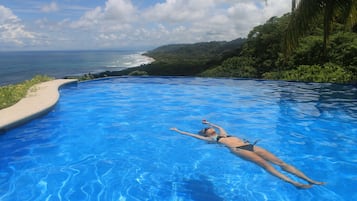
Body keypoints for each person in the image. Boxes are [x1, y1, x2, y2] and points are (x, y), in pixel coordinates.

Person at [170, 120, 325, 189]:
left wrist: (209, 123)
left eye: (207, 129)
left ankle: (310, 180)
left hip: (249, 146)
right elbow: (191, 135)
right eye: (206, 130)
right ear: (206, 135)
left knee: (280, 163)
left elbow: (219, 126)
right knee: (266, 165)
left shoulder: (222, 133)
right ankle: (295, 184)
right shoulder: (212, 139)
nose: (208, 130)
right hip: (239, 150)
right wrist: (178, 131)